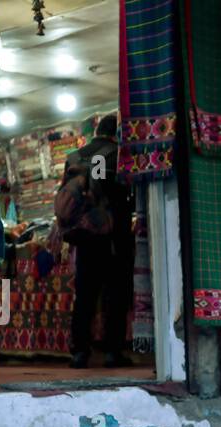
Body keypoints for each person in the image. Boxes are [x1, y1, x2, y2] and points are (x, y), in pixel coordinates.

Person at [65, 113, 134, 368]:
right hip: (111, 235)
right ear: (117, 133)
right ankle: (111, 352)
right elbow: (116, 191)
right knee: (114, 294)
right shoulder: (115, 154)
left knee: (84, 294)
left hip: (84, 237)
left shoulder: (74, 156)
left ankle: (80, 351)